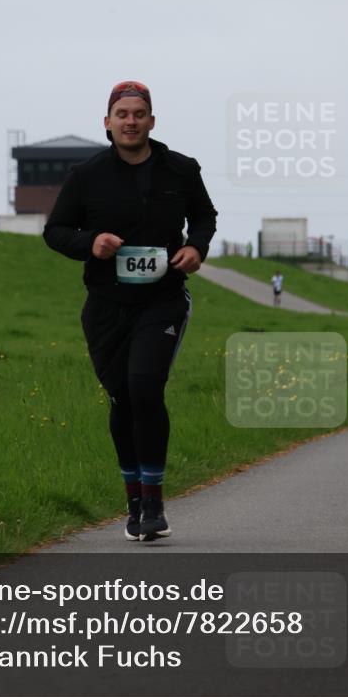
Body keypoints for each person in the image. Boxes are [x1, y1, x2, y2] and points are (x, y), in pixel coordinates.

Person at [42, 81, 218, 542]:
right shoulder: (87, 175)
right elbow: (55, 230)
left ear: (152, 121)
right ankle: (135, 502)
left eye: (139, 113)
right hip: (106, 306)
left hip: (161, 300)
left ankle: (155, 504)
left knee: (145, 388)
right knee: (122, 397)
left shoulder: (180, 169)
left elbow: (204, 215)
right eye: (122, 114)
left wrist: (197, 247)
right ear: (108, 122)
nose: (131, 121)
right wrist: (90, 243)